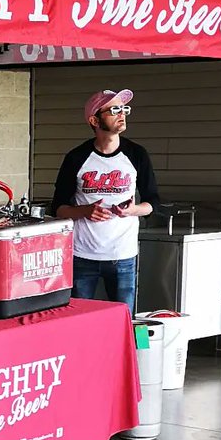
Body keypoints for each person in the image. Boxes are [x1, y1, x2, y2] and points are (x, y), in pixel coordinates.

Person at [50, 88, 159, 315]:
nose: (122, 114)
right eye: (114, 110)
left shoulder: (137, 154)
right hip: (82, 256)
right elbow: (58, 208)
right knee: (78, 320)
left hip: (123, 256)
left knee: (123, 320)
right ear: (94, 120)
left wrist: (133, 210)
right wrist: (85, 211)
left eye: (124, 108)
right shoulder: (76, 158)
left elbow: (153, 202)